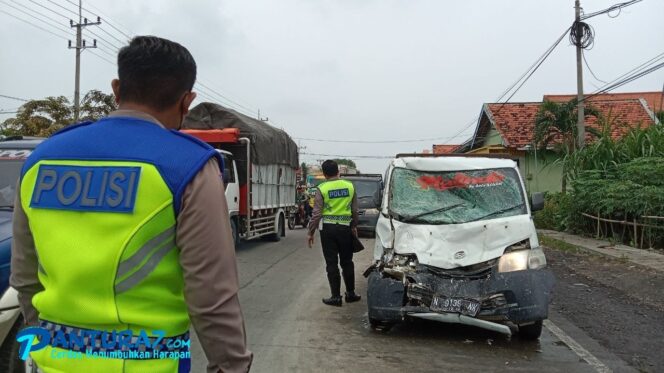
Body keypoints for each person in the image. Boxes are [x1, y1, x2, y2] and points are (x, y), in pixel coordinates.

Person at [11, 36, 252, 373]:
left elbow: (24, 277)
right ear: (187, 100)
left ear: (116, 88)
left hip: (50, 359)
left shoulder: (40, 160)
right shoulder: (187, 166)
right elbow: (211, 297)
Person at [307, 160, 361, 306]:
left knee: (331, 262)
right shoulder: (349, 186)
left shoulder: (322, 188)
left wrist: (311, 232)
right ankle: (350, 294)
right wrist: (354, 226)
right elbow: (355, 210)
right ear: (338, 171)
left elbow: (316, 214)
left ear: (324, 174)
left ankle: (336, 297)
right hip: (345, 228)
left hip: (328, 230)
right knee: (347, 262)